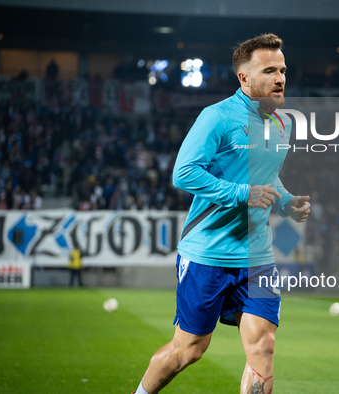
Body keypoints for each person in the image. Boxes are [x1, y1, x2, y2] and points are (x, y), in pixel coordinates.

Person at [133, 33, 311, 394]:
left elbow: (266, 176)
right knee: (189, 350)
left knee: (263, 346)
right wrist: (241, 193)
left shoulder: (283, 123)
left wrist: (285, 201)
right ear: (244, 79)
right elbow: (183, 171)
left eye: (283, 70)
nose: (280, 78)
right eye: (269, 71)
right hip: (208, 252)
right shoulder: (216, 117)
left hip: (258, 254)